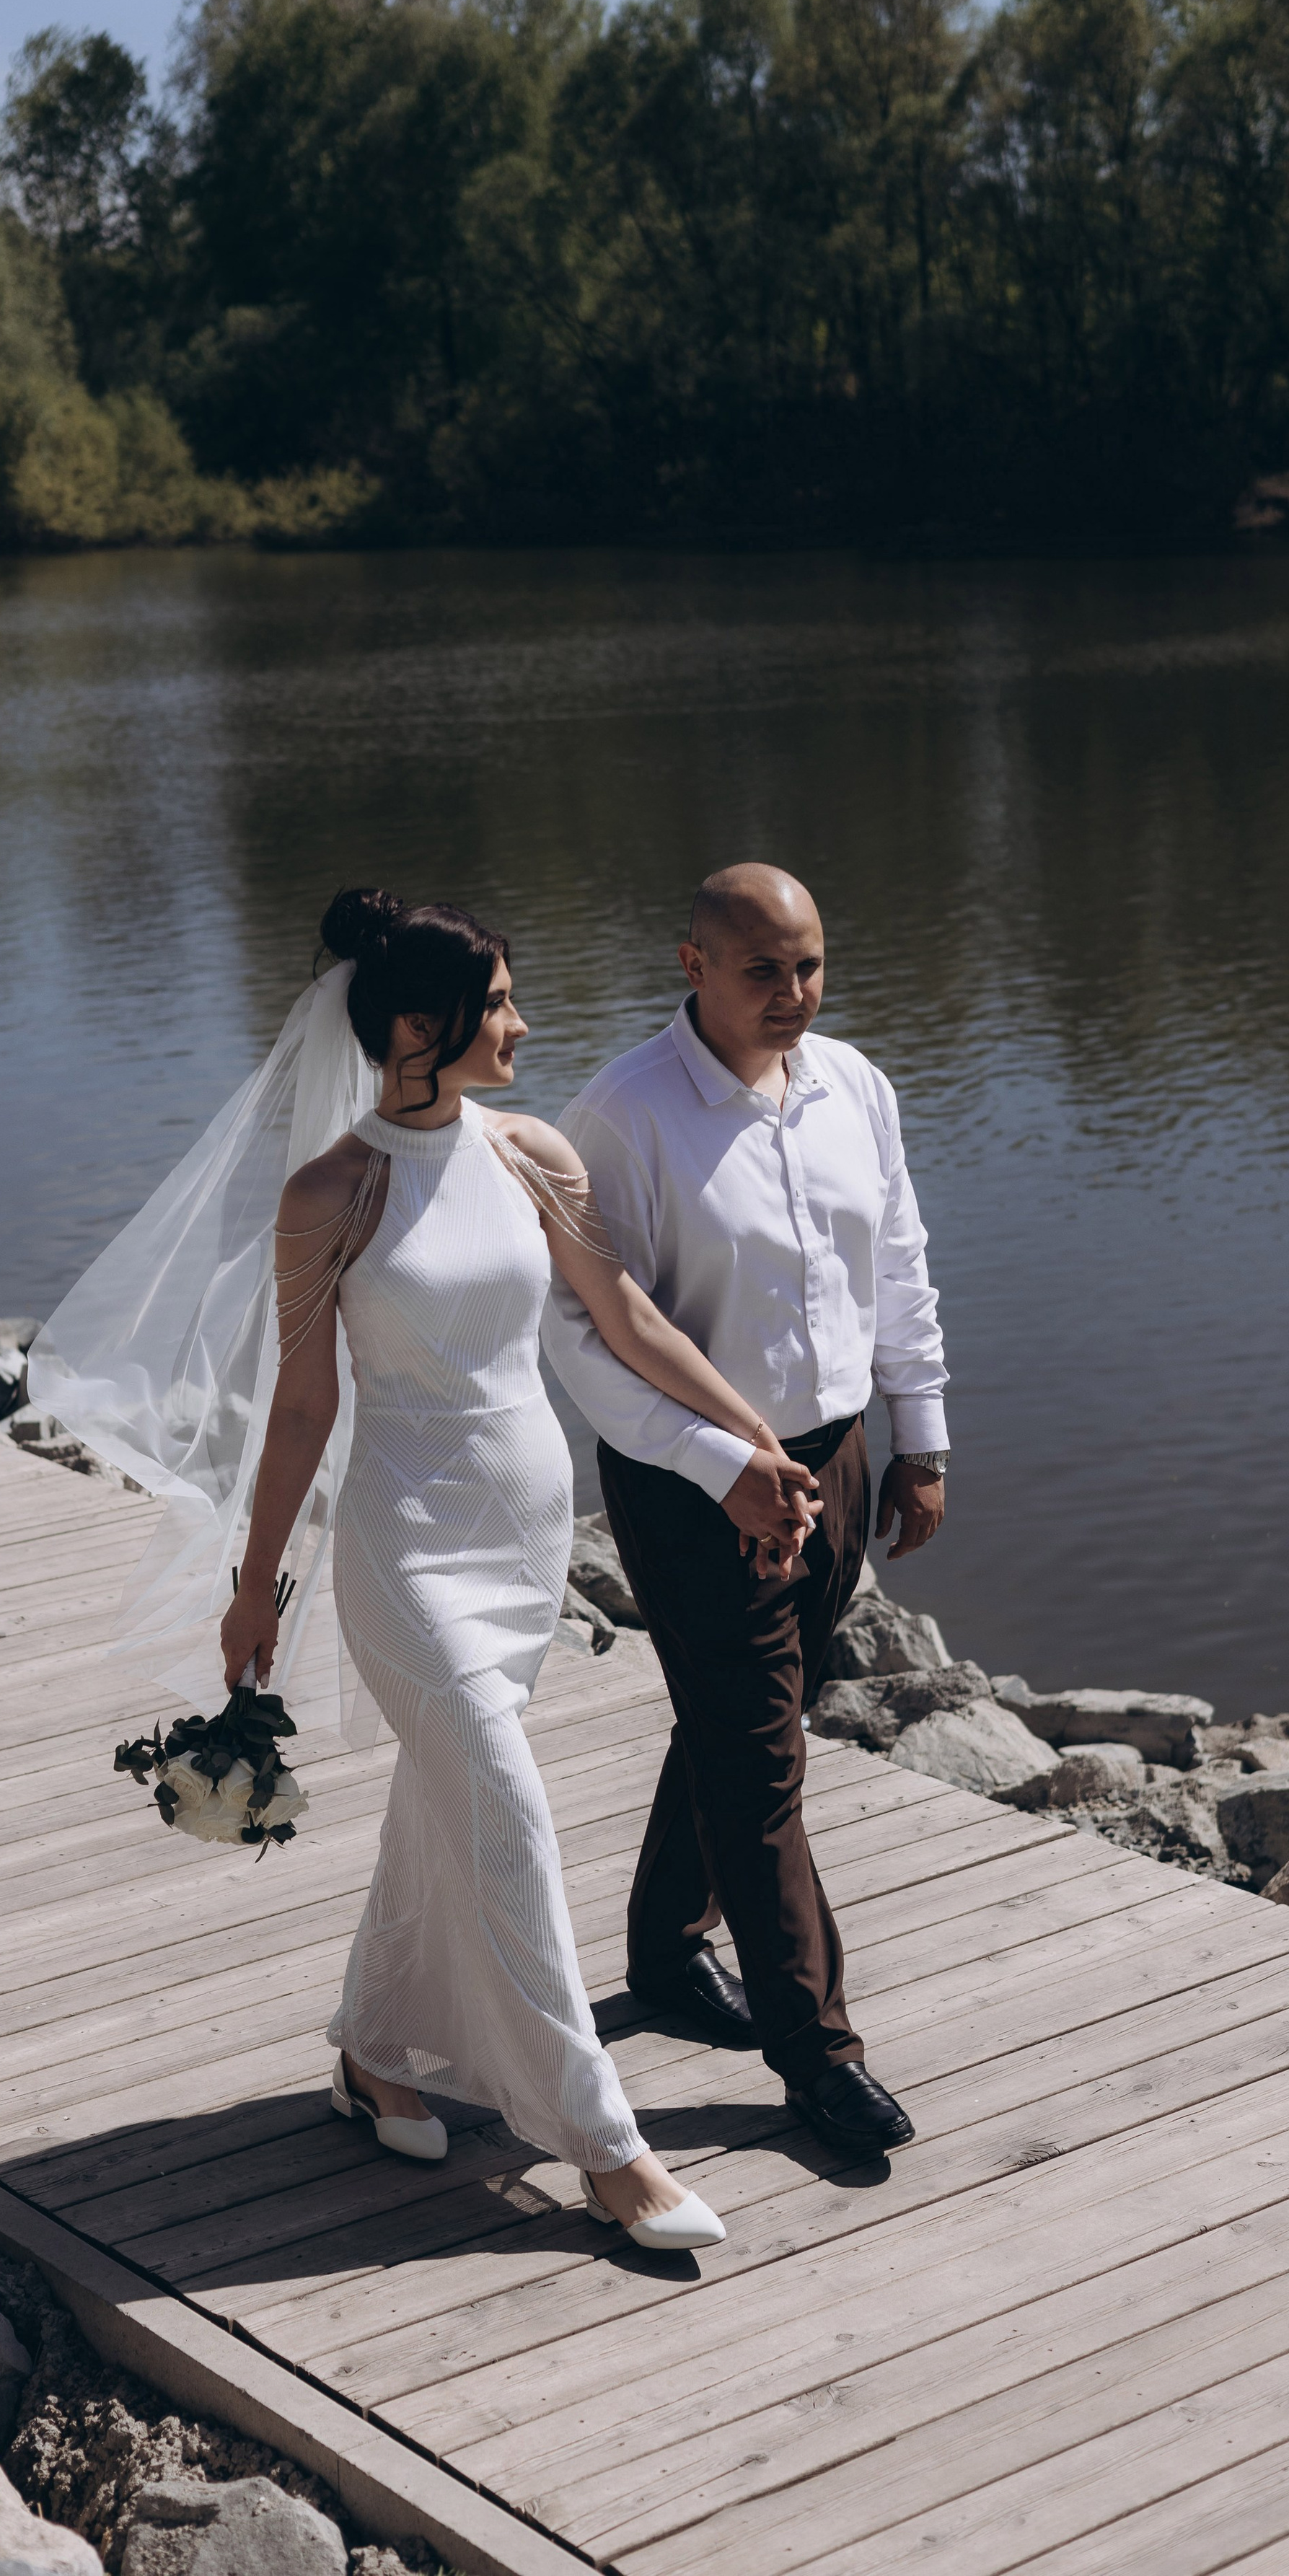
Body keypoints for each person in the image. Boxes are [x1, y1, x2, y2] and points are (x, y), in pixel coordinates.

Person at [218, 888, 821, 2251]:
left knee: (449, 1802)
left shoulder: (534, 1154)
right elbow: (303, 1408)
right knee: (508, 1808)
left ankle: (375, 2050)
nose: (523, 1024)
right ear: (415, 1028)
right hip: (407, 1547)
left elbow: (627, 1317)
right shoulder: (331, 1194)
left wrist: (753, 1440)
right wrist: (257, 1585)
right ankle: (607, 2146)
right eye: (496, 1004)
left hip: (527, 1537)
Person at [542, 862, 949, 2162]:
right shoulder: (624, 1117)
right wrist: (717, 1463)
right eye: (764, 969)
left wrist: (921, 1437)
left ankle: (667, 1957)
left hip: (837, 1461)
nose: (795, 992)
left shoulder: (856, 1086)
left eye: (811, 965)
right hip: (696, 1483)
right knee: (761, 1762)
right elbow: (582, 1334)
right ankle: (819, 2057)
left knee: (743, 1726)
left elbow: (898, 1264)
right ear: (694, 964)